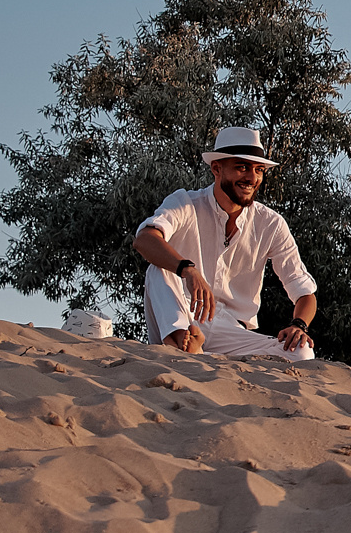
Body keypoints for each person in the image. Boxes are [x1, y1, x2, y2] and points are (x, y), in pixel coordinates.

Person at [131, 125, 319, 363]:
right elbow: (144, 239)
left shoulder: (271, 224)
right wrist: (187, 269)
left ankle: (200, 356)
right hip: (181, 315)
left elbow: (304, 291)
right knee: (159, 268)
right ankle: (181, 343)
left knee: (303, 353)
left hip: (232, 332)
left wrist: (299, 325)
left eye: (258, 170)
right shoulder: (185, 203)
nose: (252, 178)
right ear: (217, 169)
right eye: (242, 167)